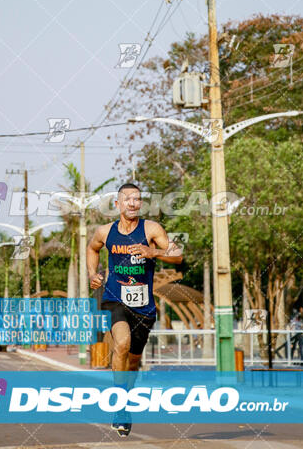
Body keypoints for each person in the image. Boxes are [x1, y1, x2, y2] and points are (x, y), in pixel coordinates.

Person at [86, 183, 183, 437]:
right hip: (114, 299)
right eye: (127, 199)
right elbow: (92, 248)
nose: (133, 203)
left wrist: (154, 251)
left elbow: (178, 256)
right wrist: (92, 273)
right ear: (117, 204)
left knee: (133, 361)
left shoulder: (151, 229)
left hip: (144, 308)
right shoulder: (105, 232)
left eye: (137, 199)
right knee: (121, 344)